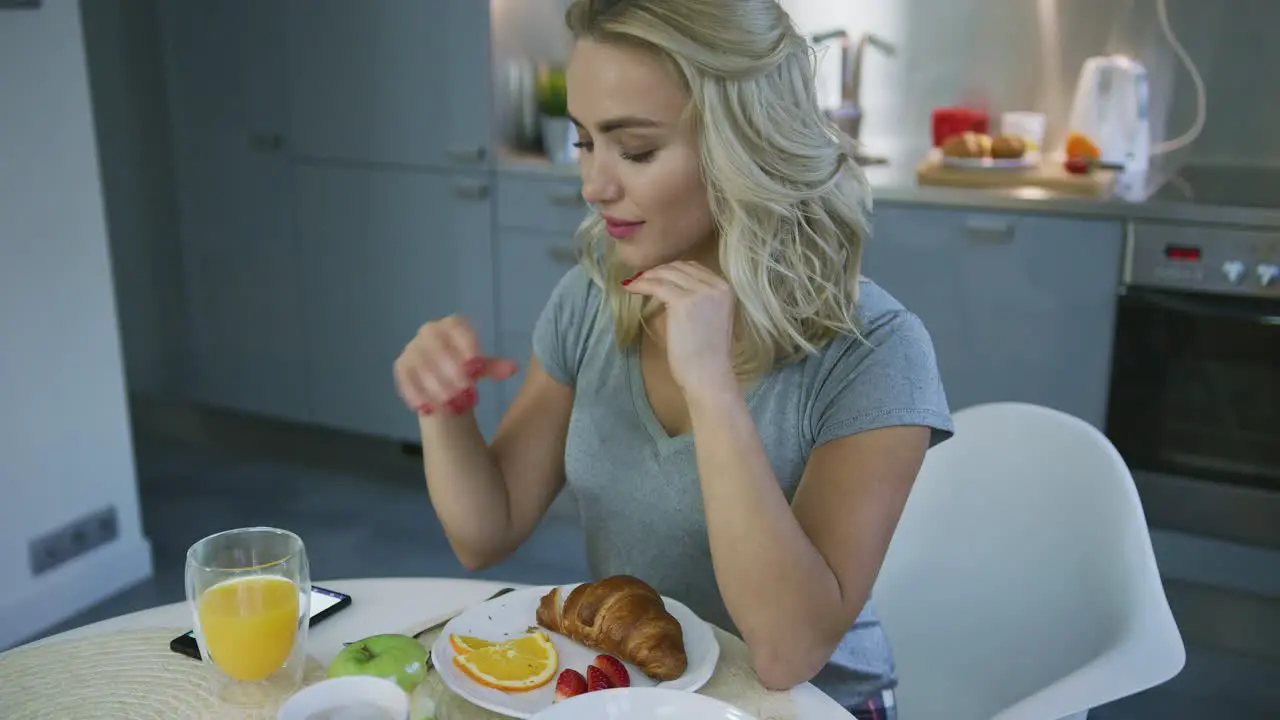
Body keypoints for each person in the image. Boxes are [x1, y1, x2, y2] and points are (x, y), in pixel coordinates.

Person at [392, 0, 952, 716]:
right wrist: (444, 409)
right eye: (586, 142)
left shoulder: (875, 353)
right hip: (645, 694)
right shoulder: (590, 299)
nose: (594, 186)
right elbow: (486, 532)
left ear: (743, 146)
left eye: (636, 150)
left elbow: (787, 653)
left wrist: (714, 389)